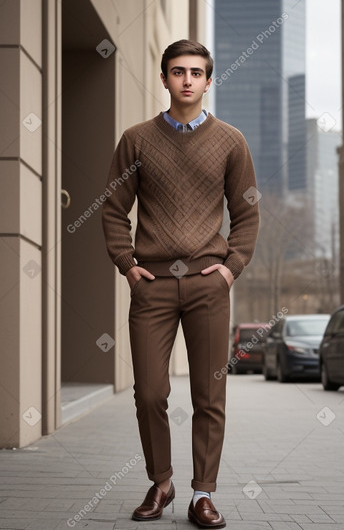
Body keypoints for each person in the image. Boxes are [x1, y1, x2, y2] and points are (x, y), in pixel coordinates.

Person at [101, 39, 260, 528]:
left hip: (208, 283)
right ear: (165, 78)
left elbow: (248, 210)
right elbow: (111, 207)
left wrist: (231, 267)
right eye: (177, 71)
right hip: (152, 285)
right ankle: (163, 483)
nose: (187, 79)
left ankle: (202, 494)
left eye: (196, 72)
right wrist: (127, 265)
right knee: (149, 392)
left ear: (209, 80)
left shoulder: (231, 140)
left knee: (209, 395)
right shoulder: (136, 139)